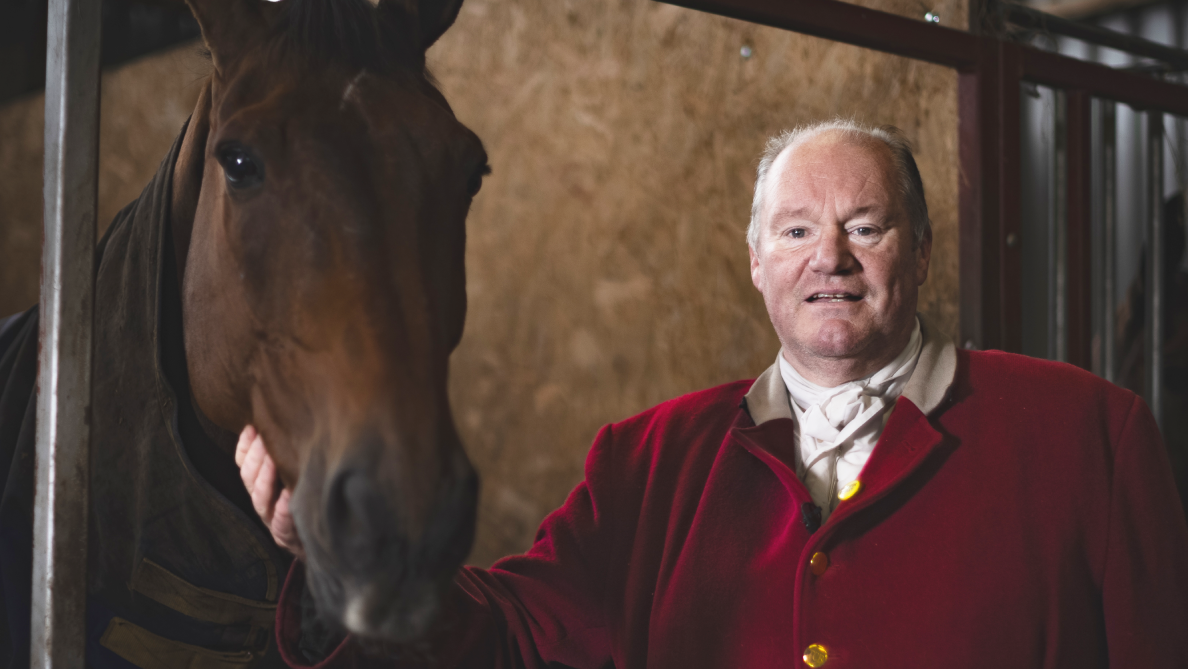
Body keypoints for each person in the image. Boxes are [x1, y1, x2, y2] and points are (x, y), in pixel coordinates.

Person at [237, 119, 1188, 668]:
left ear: (924, 252)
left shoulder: (1089, 436)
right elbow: (510, 640)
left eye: (867, 225)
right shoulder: (649, 460)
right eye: (795, 232)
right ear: (753, 265)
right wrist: (335, 555)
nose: (831, 259)